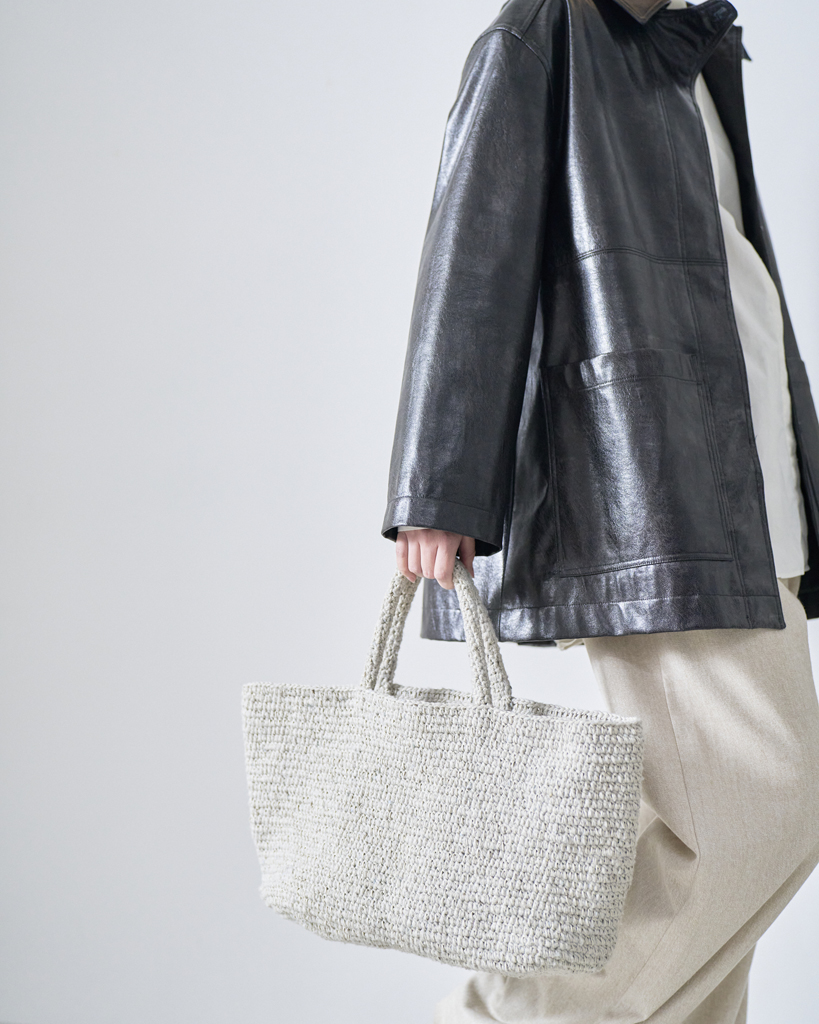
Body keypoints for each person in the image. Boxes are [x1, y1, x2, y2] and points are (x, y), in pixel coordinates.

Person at [381, 0, 819, 1021]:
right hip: (657, 498)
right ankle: (504, 1011)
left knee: (722, 881)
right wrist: (439, 485)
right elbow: (470, 256)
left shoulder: (691, 49)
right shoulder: (548, 31)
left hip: (752, 488)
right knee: (759, 812)